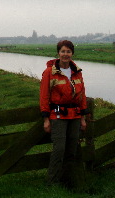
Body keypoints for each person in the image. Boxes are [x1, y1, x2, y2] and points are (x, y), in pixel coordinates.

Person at [39, 39, 88, 186]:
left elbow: (82, 95)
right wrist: (46, 119)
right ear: (58, 53)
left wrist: (83, 118)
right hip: (58, 116)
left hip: (75, 116)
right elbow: (44, 96)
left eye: (68, 51)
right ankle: (52, 182)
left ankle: (67, 181)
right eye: (63, 51)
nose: (65, 54)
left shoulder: (77, 72)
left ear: (72, 53)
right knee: (59, 149)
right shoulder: (49, 72)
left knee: (71, 149)